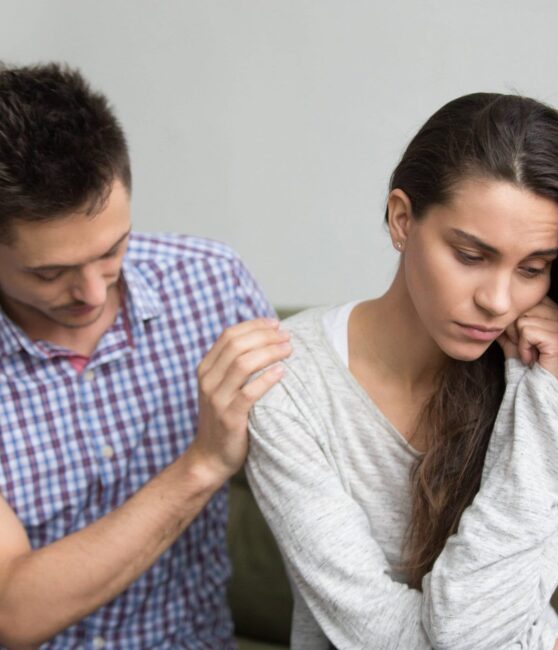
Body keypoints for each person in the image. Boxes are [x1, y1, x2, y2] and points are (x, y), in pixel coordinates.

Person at [247, 93, 558, 650]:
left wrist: (544, 402)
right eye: (470, 256)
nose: (498, 300)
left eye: (532, 269)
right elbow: (403, 632)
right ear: (402, 219)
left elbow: (492, 616)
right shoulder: (287, 384)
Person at [0, 62, 291, 649]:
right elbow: (12, 612)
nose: (92, 292)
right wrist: (203, 464)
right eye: (51, 273)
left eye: (113, 250)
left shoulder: (211, 281)